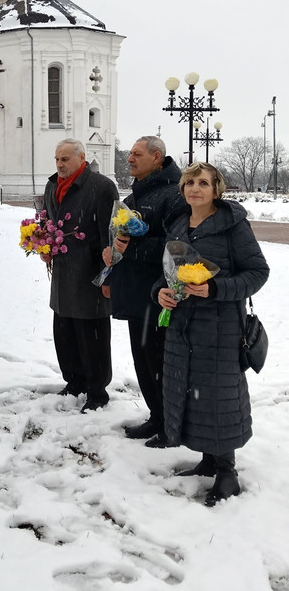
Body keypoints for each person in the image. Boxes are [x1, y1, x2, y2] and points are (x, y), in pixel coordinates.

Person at [155, 162, 269, 506]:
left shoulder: (232, 225)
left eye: (203, 183)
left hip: (219, 327)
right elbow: (167, 272)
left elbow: (258, 272)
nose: (195, 188)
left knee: (219, 396)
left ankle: (227, 471)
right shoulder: (177, 224)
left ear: (215, 189)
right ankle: (207, 459)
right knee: (190, 392)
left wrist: (216, 288)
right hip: (181, 326)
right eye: (189, 182)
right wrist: (159, 292)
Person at [102, 136, 182, 447]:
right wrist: (112, 252)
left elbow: (178, 247)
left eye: (136, 154)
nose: (129, 159)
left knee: (159, 362)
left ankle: (170, 425)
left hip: (158, 295)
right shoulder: (136, 196)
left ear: (157, 157)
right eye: (130, 154)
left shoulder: (174, 195)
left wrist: (133, 247)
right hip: (135, 293)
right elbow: (121, 238)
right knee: (143, 360)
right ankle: (156, 416)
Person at [43, 139, 118, 412]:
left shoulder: (101, 187)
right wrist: (44, 245)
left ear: (81, 158)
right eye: (57, 159)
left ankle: (97, 392)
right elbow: (48, 222)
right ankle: (74, 382)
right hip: (63, 275)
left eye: (65, 159)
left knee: (92, 336)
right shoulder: (52, 186)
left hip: (90, 275)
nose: (60, 165)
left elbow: (108, 235)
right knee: (65, 333)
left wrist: (107, 277)